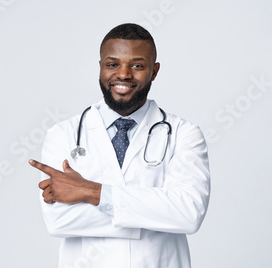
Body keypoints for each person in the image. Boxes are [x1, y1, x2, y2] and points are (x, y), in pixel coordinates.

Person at [28, 23, 210, 268]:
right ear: (101, 67)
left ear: (154, 71)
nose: (123, 74)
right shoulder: (63, 134)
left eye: (137, 65)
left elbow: (188, 214)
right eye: (112, 64)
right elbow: (58, 220)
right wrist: (150, 215)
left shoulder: (184, 134)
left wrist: (91, 192)